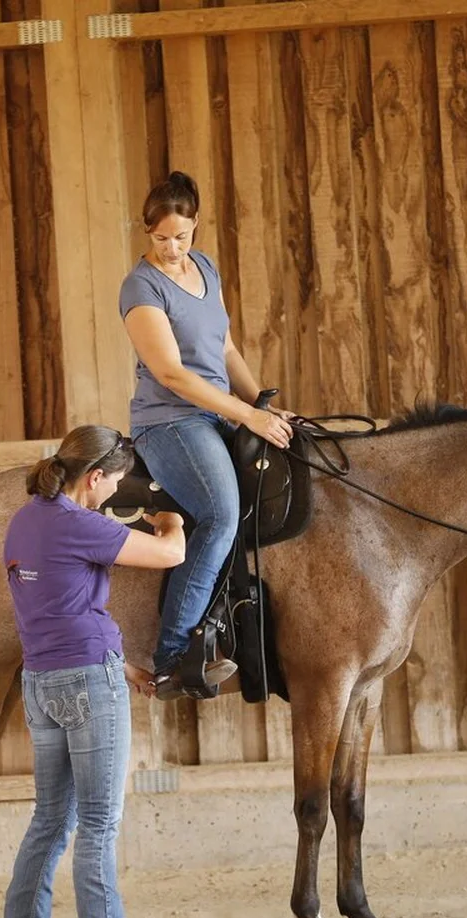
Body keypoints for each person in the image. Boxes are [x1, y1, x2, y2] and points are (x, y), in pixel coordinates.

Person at [0, 425, 185, 918]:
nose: (116, 489)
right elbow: (172, 554)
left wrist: (122, 666)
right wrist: (170, 520)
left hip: (41, 681)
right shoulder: (85, 524)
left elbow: (58, 607)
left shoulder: (24, 519)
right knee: (99, 826)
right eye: (117, 480)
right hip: (86, 683)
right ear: (95, 476)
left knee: (49, 820)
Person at [119, 170, 295, 699]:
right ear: (146, 232)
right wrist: (245, 415)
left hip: (219, 410)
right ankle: (173, 656)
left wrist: (264, 403)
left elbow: (224, 349)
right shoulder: (141, 286)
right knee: (220, 513)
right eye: (161, 238)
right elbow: (172, 373)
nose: (172, 248)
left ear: (196, 227)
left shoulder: (206, 267)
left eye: (181, 236)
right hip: (170, 420)